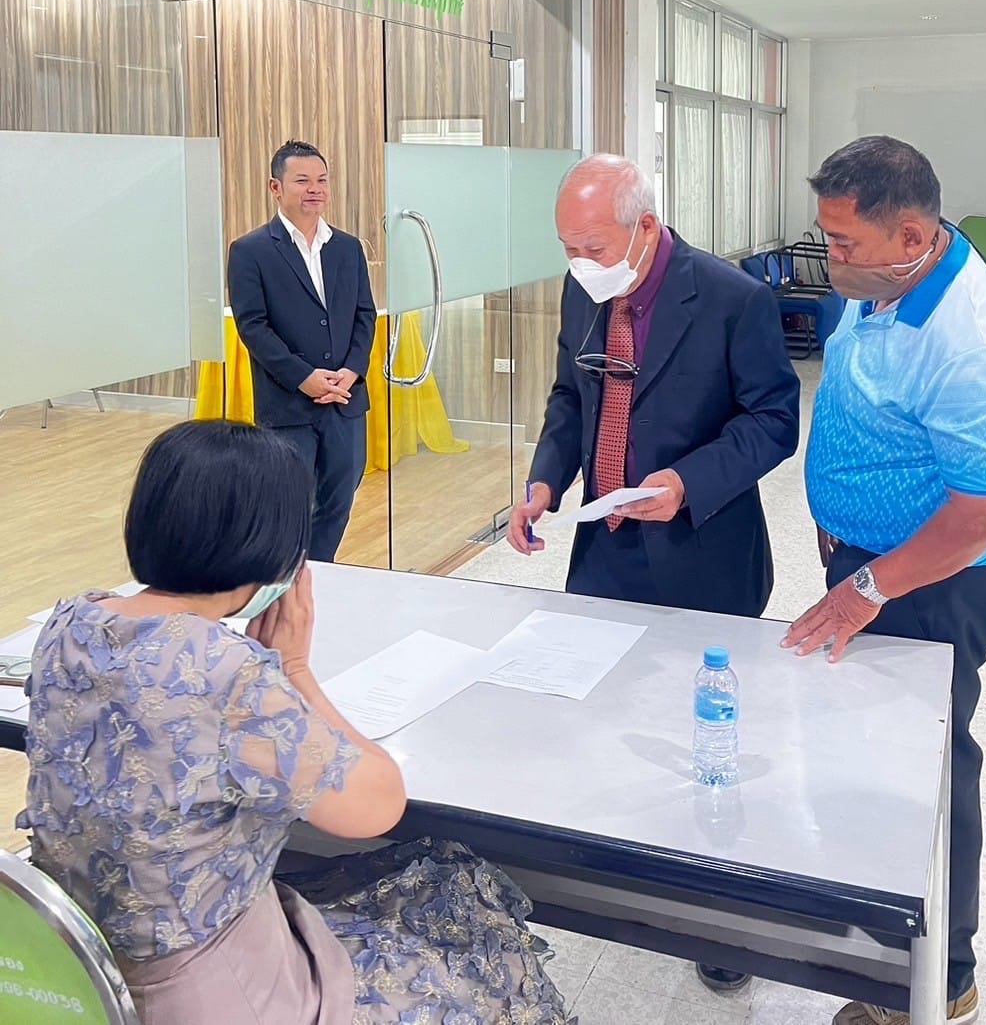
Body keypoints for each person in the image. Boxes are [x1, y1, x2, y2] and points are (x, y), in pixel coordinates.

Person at [17, 421, 573, 1025]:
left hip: (71, 967)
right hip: (210, 992)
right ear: (272, 545)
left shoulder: (70, 624)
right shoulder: (228, 673)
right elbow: (376, 806)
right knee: (475, 937)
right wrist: (295, 671)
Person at [784, 136, 986, 1025]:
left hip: (938, 582)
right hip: (874, 559)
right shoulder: (886, 277)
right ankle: (881, 926)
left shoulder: (970, 340)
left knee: (925, 770)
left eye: (842, 243)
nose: (829, 259)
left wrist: (867, 587)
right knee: (869, 755)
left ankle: (942, 976)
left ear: (914, 235)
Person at [510, 153, 800, 618]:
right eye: (569, 250)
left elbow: (774, 421)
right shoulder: (581, 288)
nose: (582, 265)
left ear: (645, 226)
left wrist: (686, 483)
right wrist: (544, 482)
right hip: (602, 545)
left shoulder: (733, 298)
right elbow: (572, 397)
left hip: (700, 546)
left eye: (595, 249)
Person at [228, 140, 376, 562]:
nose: (315, 189)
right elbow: (253, 327)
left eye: (322, 180)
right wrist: (303, 378)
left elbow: (364, 314)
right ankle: (284, 581)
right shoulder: (250, 251)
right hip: (288, 405)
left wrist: (352, 370)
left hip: (344, 400)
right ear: (276, 187)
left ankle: (316, 575)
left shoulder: (347, 248)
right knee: (289, 507)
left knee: (339, 499)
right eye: (303, 181)